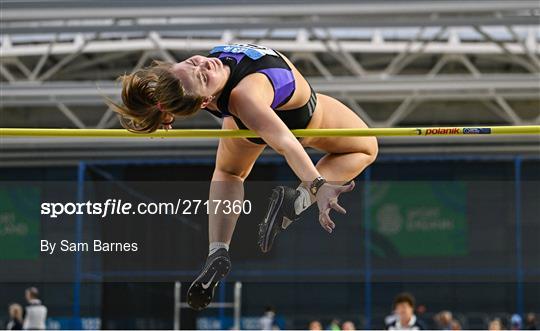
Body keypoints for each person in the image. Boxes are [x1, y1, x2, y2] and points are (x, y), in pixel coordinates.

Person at [111, 43, 378, 310]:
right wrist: (318, 187)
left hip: (248, 116)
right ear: (205, 102)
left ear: (175, 66)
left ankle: (218, 250)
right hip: (297, 118)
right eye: (203, 77)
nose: (205, 65)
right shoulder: (244, 96)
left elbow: (182, 85)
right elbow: (284, 142)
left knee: (229, 173)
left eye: (194, 63)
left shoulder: (192, 82)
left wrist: (166, 110)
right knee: (366, 148)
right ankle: (296, 201)